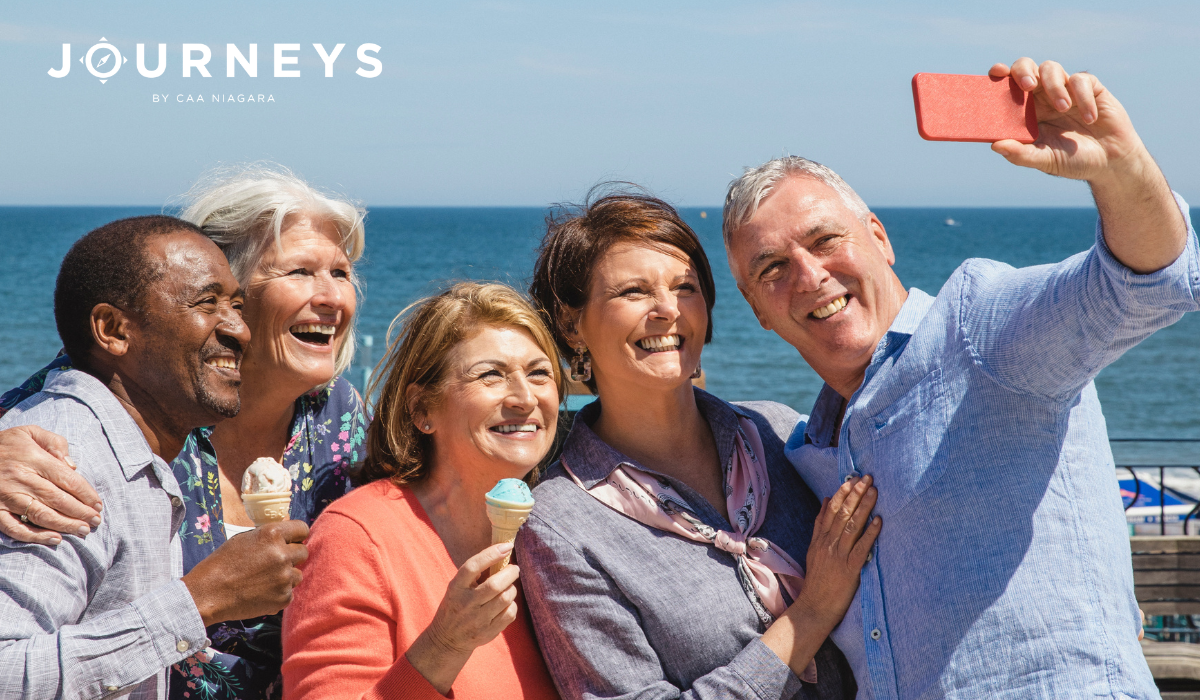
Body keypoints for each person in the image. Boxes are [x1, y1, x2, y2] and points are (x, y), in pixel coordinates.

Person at [721, 58, 1200, 698]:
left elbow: (1145, 286)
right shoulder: (811, 452)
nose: (809, 276)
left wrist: (1123, 169)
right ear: (757, 310)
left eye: (825, 239)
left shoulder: (977, 330)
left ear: (879, 238)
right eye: (772, 268)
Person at [0, 164, 369, 699]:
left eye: (341, 273)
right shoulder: (120, 423)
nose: (333, 297)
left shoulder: (338, 418)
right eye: (299, 272)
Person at [518, 190, 878, 699]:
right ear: (571, 322)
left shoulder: (777, 432)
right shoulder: (560, 524)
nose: (668, 310)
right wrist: (811, 614)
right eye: (633, 292)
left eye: (686, 287)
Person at [281, 282, 561, 699]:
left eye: (539, 373)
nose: (524, 397)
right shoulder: (357, 538)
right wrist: (445, 647)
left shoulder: (564, 527)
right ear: (421, 410)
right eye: (491, 375)